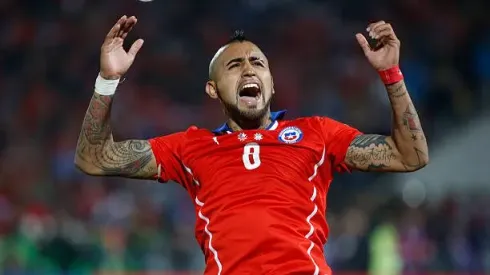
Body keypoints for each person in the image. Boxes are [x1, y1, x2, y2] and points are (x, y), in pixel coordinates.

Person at [75, 15, 429, 275]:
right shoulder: (191, 147)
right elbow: (93, 159)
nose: (248, 70)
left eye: (257, 63)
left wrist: (391, 74)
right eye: (234, 65)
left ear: (271, 84)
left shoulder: (317, 134)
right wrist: (108, 80)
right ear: (212, 89)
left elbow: (410, 155)